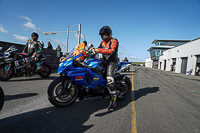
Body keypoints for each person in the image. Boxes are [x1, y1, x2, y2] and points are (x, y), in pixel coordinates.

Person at [94, 26, 119, 111]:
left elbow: (111, 51)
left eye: (105, 34)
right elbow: (98, 49)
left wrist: (98, 50)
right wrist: (89, 51)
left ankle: (113, 101)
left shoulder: (114, 40)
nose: (104, 36)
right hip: (104, 61)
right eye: (102, 34)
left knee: (109, 79)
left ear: (109, 34)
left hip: (112, 62)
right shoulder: (102, 43)